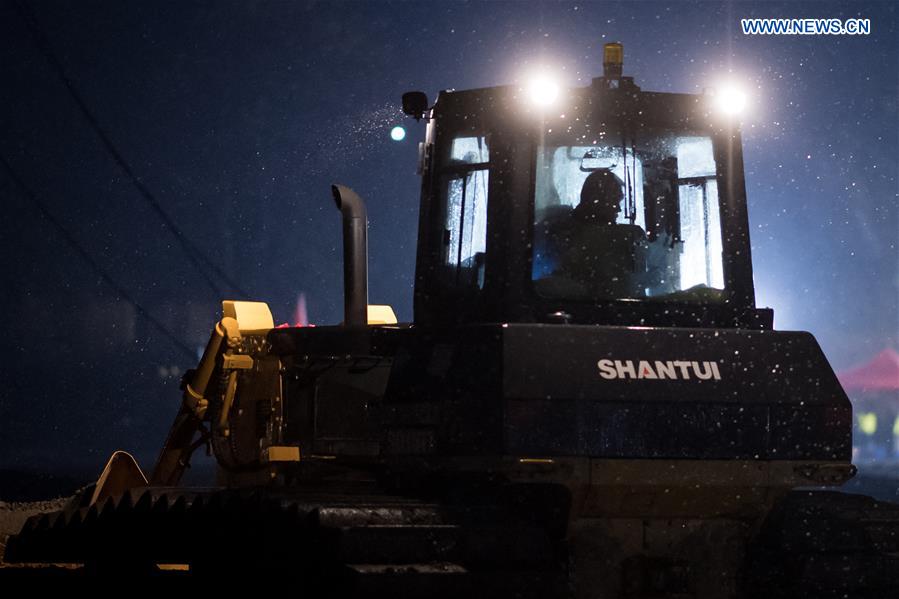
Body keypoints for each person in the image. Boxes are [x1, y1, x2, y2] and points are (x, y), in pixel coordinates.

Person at [557, 169, 647, 298]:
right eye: (614, 201)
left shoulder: (569, 228)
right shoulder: (624, 236)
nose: (619, 209)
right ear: (597, 199)